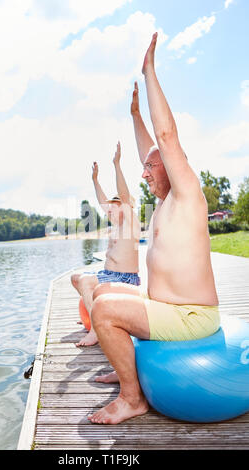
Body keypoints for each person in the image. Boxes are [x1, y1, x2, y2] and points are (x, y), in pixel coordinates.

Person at [87, 32, 220, 425]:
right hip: (166, 306)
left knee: (105, 309)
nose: (143, 175)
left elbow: (165, 140)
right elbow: (153, 150)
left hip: (191, 316)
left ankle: (132, 397)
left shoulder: (187, 195)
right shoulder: (164, 201)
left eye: (149, 169)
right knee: (105, 288)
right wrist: (133, 117)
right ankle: (129, 366)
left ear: (172, 167)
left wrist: (149, 73)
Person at [71, 141, 141, 347]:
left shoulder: (131, 223)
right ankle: (93, 316)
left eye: (115, 205)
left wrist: (116, 164)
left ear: (126, 208)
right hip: (107, 275)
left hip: (124, 278)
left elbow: (125, 197)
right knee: (76, 278)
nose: (109, 209)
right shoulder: (116, 224)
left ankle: (95, 328)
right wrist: (95, 180)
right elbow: (103, 202)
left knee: (85, 281)